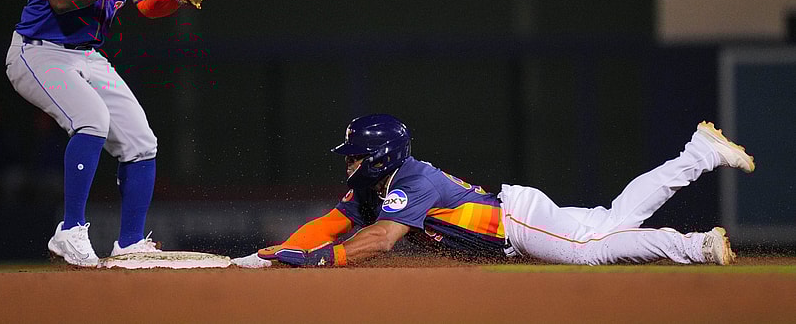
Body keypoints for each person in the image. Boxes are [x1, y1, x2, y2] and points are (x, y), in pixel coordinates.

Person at [232, 114, 755, 268]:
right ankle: (701, 153)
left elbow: (384, 239)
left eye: (355, 154)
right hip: (515, 216)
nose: (348, 162)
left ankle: (694, 247)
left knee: (593, 251)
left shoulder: (410, 180)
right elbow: (331, 223)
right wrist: (281, 251)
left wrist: (330, 260)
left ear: (380, 157)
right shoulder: (375, 183)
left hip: (514, 223)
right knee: (612, 218)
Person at [5, 0, 190, 266]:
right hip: (39, 51)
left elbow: (146, 5)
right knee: (91, 120)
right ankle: (70, 232)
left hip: (87, 55)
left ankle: (129, 245)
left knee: (141, 141)